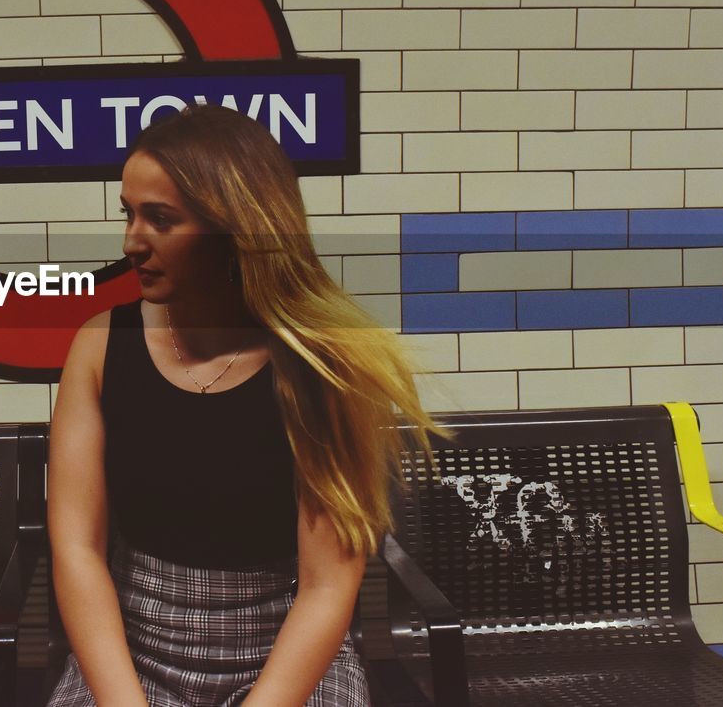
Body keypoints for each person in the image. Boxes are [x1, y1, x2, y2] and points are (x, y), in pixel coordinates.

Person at [45, 104, 447, 707]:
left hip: (282, 661)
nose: (131, 241)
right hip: (132, 660)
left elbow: (325, 588)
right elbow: (77, 548)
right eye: (128, 214)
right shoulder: (102, 346)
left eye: (160, 219)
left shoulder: (321, 367)